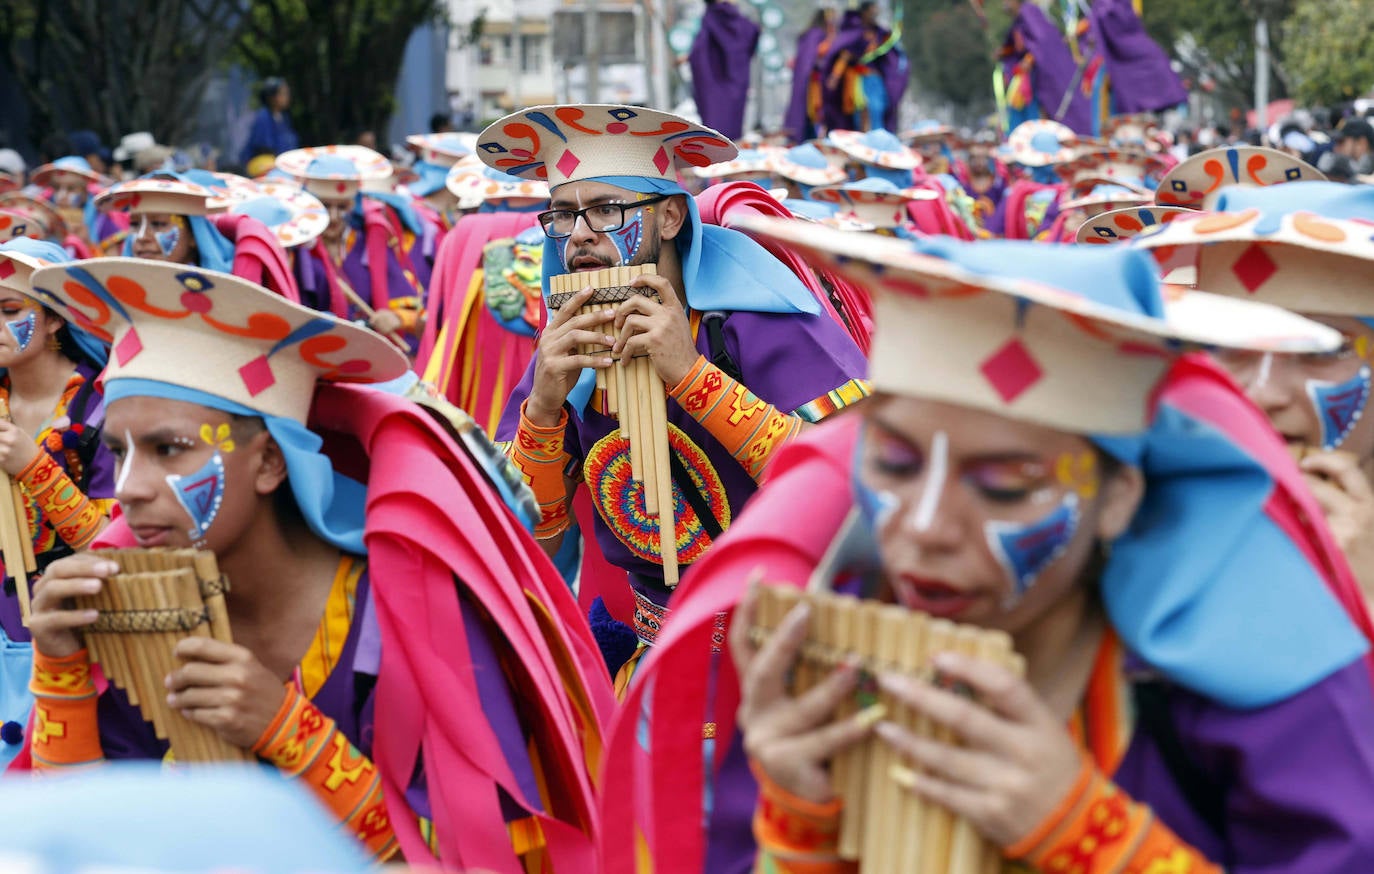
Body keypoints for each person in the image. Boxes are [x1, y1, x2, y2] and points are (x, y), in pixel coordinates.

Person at [601, 227, 1374, 872]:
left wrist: (1086, 832)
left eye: (1004, 485)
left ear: (1117, 499)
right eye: (895, 464)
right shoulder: (826, 650)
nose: (924, 526)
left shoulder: (1270, 685)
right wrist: (800, 829)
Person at [22, 257, 612, 868]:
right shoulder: (133, 608)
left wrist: (286, 730)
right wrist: (61, 672)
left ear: (272, 462)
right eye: (117, 451)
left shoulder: (415, 616)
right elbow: (84, 842)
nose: (127, 488)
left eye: (168, 449)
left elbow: (477, 855)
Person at [481, 105, 868, 685]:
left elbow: (853, 485)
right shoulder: (566, 343)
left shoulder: (752, 317)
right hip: (659, 666)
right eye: (562, 216)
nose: (580, 234)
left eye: (605, 210)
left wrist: (691, 375)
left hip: (792, 660)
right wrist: (542, 408)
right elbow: (531, 531)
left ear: (667, 218)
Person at [0, 238, 112, 771]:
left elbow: (112, 544)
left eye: (9, 311)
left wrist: (32, 465)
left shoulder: (104, 410)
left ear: (53, 321)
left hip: (72, 638)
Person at [276, 145, 430, 354]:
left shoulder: (369, 243)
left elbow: (412, 307)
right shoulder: (293, 248)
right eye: (324, 206)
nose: (334, 217)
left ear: (354, 204)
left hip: (364, 357)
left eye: (342, 207)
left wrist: (396, 318)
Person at [97, 173, 236, 272]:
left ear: (194, 235)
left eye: (158, 224)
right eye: (134, 225)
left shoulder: (226, 293)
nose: (141, 237)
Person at [998, 0, 1092, 135]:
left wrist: (1030, 58)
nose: (1004, 3)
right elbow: (1015, 47)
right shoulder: (1018, 21)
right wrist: (1005, 52)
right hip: (1029, 80)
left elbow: (1043, 40)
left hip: (1043, 77)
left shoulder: (1029, 13)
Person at [821, 2, 908, 134]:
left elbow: (889, 54)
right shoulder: (854, 33)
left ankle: (878, 138)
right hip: (858, 81)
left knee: (878, 108)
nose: (875, 12)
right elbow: (845, 55)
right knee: (861, 112)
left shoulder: (879, 32)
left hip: (875, 79)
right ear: (864, 12)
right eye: (872, 9)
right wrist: (835, 76)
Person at [689, 0, 761, 142]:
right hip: (735, 80)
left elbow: (698, 53)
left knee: (713, 130)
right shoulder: (728, 16)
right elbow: (750, 36)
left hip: (709, 83)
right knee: (731, 132)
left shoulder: (710, 18)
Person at [783, 7, 838, 143]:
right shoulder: (815, 34)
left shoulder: (827, 34)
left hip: (820, 81)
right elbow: (809, 58)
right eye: (831, 16)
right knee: (814, 112)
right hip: (814, 82)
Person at [240, 78, 299, 176]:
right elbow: (264, 148)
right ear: (272, 97)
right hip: (265, 166)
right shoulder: (263, 117)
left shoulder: (283, 117)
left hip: (283, 164)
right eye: (283, 94)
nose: (287, 97)